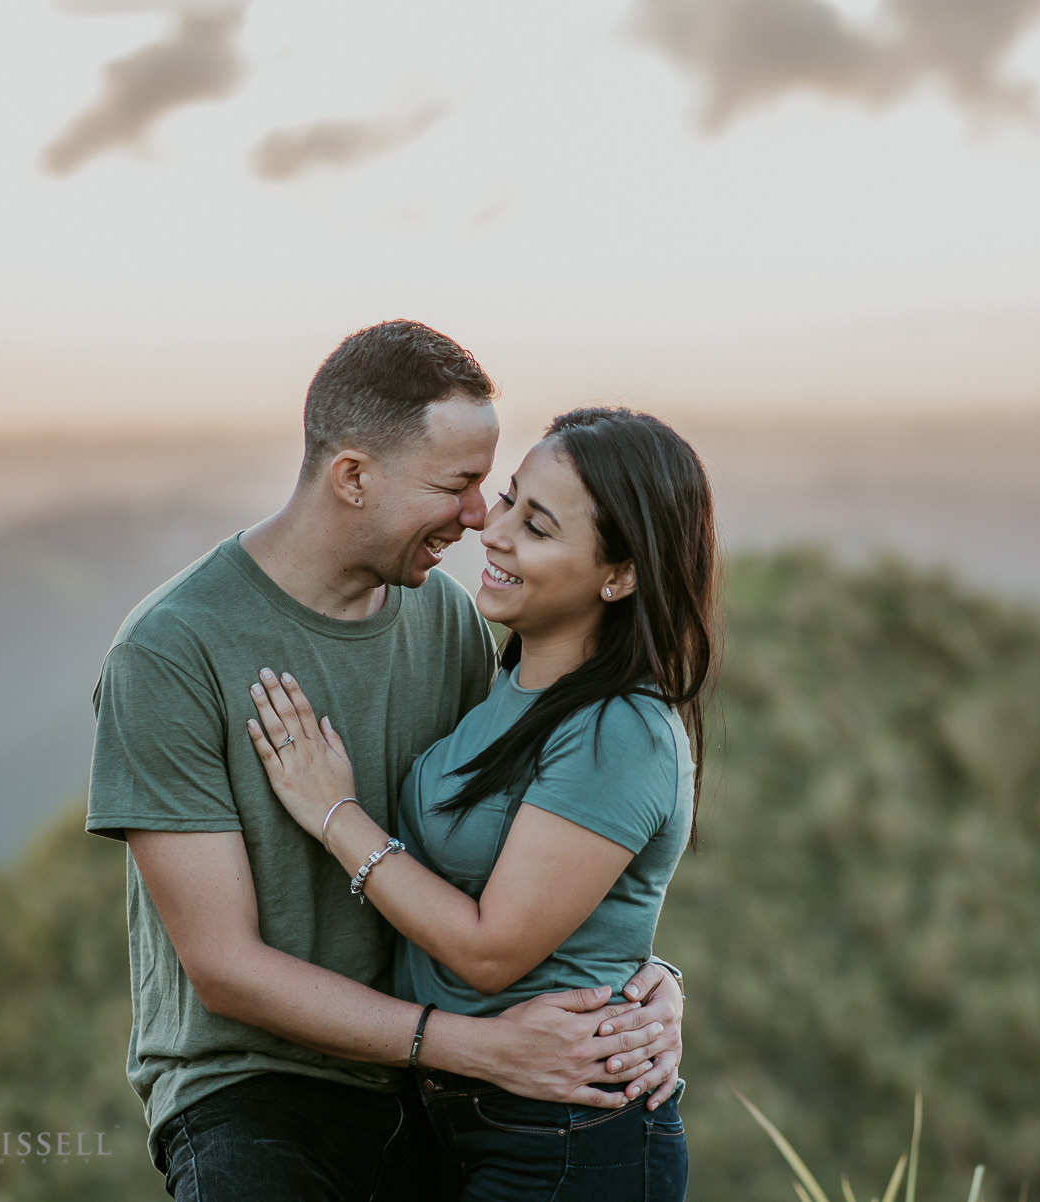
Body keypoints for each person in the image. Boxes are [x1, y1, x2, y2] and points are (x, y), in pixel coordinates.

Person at [85, 322, 684, 1202]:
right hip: (260, 1098)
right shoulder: (173, 651)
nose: (480, 518)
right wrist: (476, 1044)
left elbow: (525, 855)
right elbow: (223, 966)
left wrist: (647, 988)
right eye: (461, 485)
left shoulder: (445, 622)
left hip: (440, 1092)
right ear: (354, 477)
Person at [243, 406, 716, 1201]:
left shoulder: (618, 730)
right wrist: (659, 976)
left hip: (568, 1135)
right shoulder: (508, 687)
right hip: (465, 1123)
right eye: (507, 501)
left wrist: (335, 815)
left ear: (620, 574)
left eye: (537, 526)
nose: (493, 533)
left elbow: (491, 950)